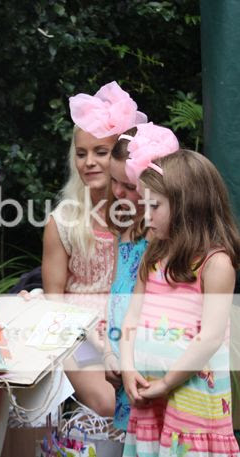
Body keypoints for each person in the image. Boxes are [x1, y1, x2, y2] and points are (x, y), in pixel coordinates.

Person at [120, 149, 240, 456]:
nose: (146, 216)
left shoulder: (216, 265)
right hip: (151, 397)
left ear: (187, 205)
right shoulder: (154, 256)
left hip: (191, 401)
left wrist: (167, 383)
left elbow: (210, 337)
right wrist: (127, 366)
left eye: (155, 206)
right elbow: (132, 316)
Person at [38, 81, 147, 416]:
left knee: (146, 393)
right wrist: (82, 343)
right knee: (109, 402)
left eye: (101, 152)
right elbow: (54, 299)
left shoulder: (145, 217)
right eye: (81, 153)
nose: (89, 162)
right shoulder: (64, 221)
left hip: (132, 328)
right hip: (79, 334)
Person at [101, 123, 179, 431]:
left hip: (156, 372)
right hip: (124, 368)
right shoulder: (126, 232)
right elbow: (116, 299)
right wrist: (109, 353)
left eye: (129, 186)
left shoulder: (166, 243)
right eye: (113, 180)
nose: (118, 192)